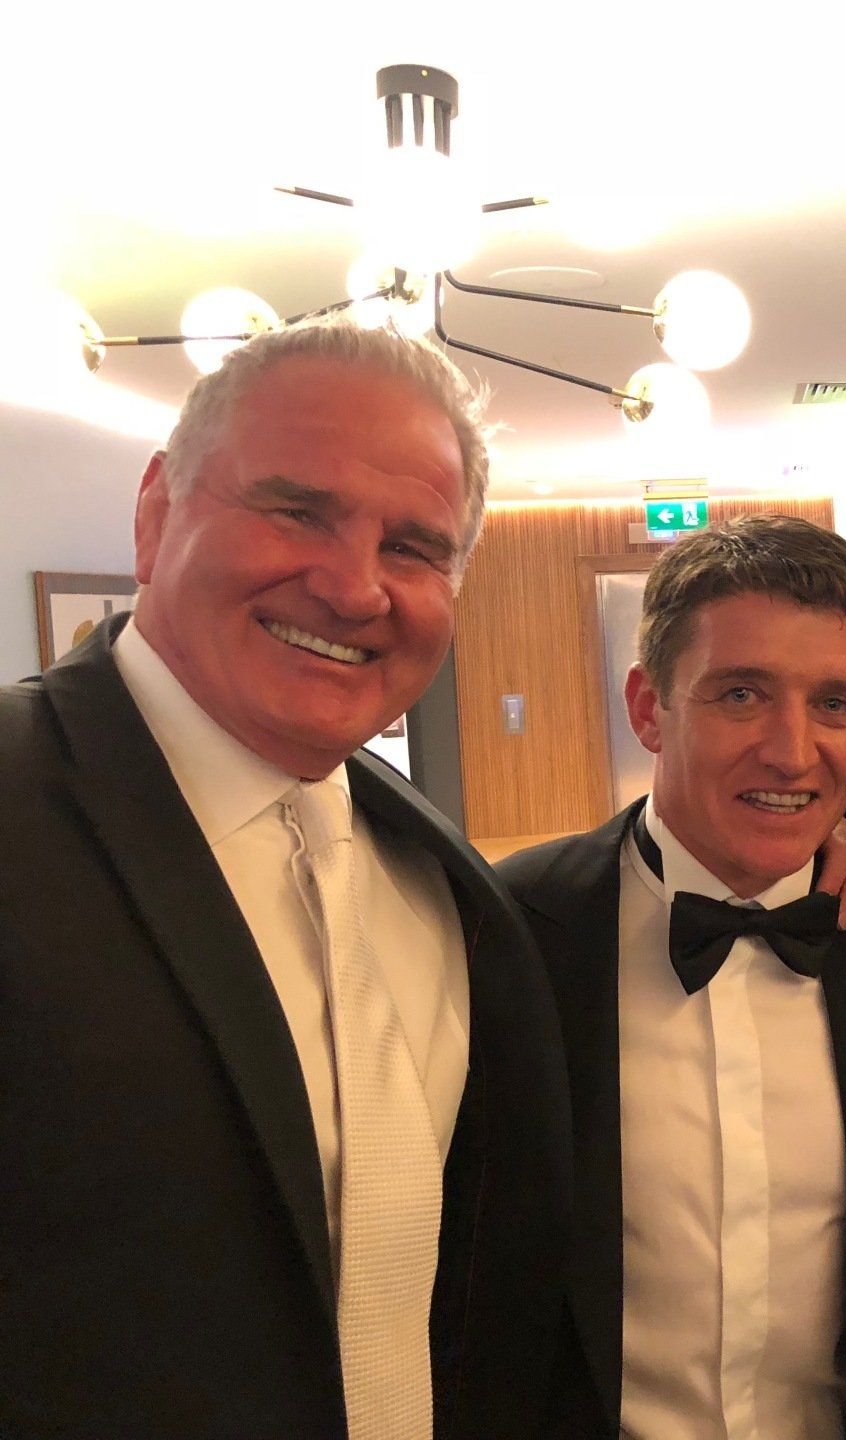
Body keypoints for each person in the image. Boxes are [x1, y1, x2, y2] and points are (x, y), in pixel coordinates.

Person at [0, 320, 571, 1439]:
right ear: (156, 511)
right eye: (298, 511)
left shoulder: (437, 877)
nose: (354, 587)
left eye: (413, 547)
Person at [498, 517, 846, 1440]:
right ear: (648, 708)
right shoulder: (516, 933)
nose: (792, 751)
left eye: (835, 703)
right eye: (742, 694)